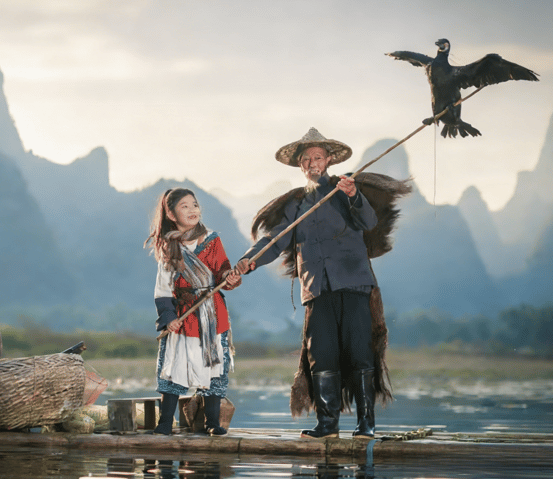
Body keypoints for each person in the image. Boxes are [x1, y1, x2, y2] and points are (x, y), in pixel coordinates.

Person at [235, 128, 410, 439]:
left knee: (359, 352)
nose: (312, 162)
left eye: (317, 157)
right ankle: (327, 425)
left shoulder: (345, 190)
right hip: (316, 288)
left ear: (328, 159)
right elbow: (274, 240)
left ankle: (365, 425)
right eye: (306, 159)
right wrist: (248, 261)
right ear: (300, 165)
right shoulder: (295, 206)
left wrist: (354, 195)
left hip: (354, 283)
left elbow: (369, 222)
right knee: (322, 354)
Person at [145, 187, 241, 436]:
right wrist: (169, 318)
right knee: (175, 364)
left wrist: (228, 277)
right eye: (185, 206)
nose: (192, 210)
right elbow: (163, 288)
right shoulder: (169, 246)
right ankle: (165, 422)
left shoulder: (212, 239)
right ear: (172, 214)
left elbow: (222, 271)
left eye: (195, 205)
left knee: (214, 366)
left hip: (212, 313)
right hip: (184, 315)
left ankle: (212, 422)